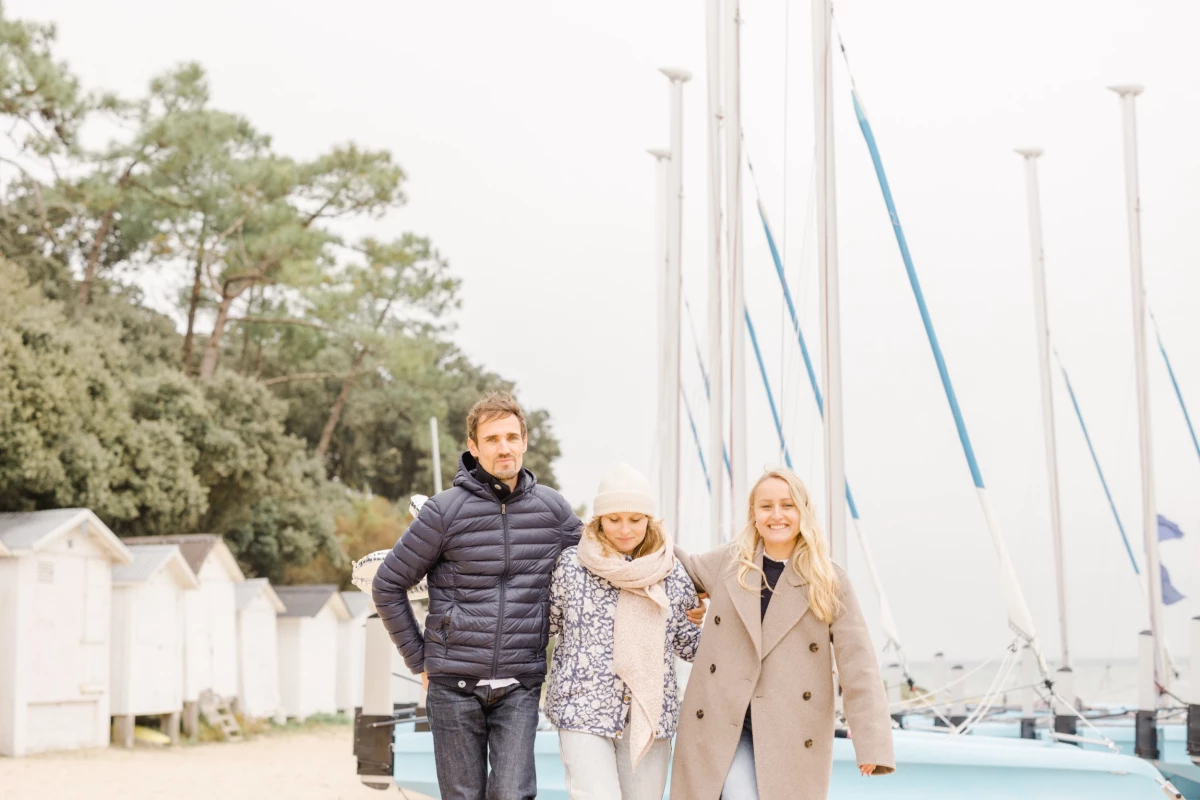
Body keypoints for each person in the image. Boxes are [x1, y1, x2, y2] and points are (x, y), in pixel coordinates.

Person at [372, 391, 582, 800]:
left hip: (520, 683)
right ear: (473, 447)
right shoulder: (443, 512)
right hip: (453, 687)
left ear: (523, 440)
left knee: (512, 794)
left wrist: (686, 577)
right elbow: (387, 585)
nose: (503, 448)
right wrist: (420, 660)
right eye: (491, 439)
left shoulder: (553, 510)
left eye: (510, 437)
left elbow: (603, 555)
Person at [671, 467, 895, 800]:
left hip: (790, 726)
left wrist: (872, 743)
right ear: (754, 514)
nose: (777, 515)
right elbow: (677, 569)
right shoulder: (727, 563)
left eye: (787, 505)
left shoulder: (829, 580)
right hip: (724, 720)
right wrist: (631, 526)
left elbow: (858, 664)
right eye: (766, 506)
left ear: (802, 512)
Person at [545, 463, 701, 799]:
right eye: (614, 519)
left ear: (649, 519)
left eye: (635, 519)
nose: (625, 529)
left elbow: (690, 646)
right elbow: (543, 626)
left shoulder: (672, 574)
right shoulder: (571, 566)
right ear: (599, 520)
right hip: (582, 711)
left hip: (649, 716)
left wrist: (722, 615)